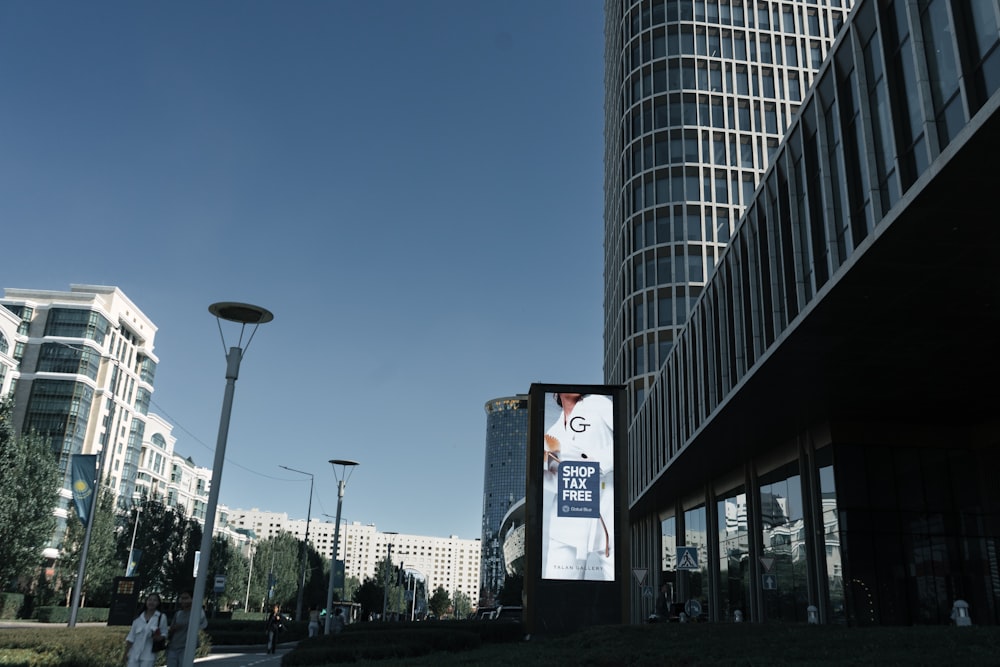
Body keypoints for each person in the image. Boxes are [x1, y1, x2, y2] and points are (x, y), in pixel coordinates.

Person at [541, 392, 615, 581]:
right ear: (556, 395)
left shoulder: (598, 403)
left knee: (615, 589)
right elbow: (551, 478)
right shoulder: (552, 433)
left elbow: (627, 433)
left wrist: (598, 465)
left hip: (606, 516)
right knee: (558, 593)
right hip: (566, 528)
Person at [124, 593, 168, 667]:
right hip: (134, 653)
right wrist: (126, 653)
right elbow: (131, 637)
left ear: (158, 603)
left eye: (154, 600)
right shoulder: (138, 618)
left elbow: (165, 633)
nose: (151, 602)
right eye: (150, 600)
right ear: (146, 602)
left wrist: (159, 637)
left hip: (149, 654)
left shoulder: (161, 617)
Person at [166, 589, 207, 667]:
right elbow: (171, 629)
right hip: (173, 646)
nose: (183, 601)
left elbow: (203, 625)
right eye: (182, 598)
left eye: (186, 598)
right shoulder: (178, 614)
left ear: (192, 599)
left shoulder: (198, 613)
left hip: (187, 648)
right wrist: (173, 629)